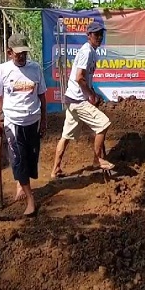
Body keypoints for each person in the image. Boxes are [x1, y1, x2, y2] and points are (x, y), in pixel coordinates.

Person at [0, 33, 47, 217]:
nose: (22, 56)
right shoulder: (2, 70)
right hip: (13, 122)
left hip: (33, 121)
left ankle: (20, 182)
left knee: (31, 159)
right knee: (18, 159)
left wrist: (44, 119)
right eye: (18, 53)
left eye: (24, 53)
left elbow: (42, 96)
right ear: (9, 52)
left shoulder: (35, 69)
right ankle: (31, 199)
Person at [51, 21, 114, 178]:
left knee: (66, 136)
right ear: (88, 36)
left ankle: (55, 169)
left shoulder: (91, 51)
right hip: (78, 101)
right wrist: (91, 95)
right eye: (96, 34)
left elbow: (85, 79)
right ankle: (97, 159)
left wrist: (92, 92)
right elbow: (79, 78)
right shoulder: (87, 52)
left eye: (101, 34)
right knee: (103, 124)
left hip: (73, 99)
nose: (99, 37)